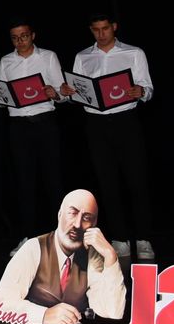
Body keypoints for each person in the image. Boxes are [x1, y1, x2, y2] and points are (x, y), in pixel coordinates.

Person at [60, 13, 155, 260]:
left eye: (105, 29)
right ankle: (120, 239)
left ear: (114, 27)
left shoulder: (134, 53)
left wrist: (141, 91)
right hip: (96, 124)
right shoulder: (83, 56)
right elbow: (78, 91)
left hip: (126, 121)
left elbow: (148, 88)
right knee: (107, 183)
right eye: (96, 30)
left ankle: (143, 239)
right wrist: (69, 92)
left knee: (136, 181)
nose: (101, 34)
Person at [0, 21, 64, 255]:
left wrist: (55, 93)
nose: (20, 41)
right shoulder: (6, 61)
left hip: (45, 122)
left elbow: (62, 92)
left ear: (32, 35)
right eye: (15, 38)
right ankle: (27, 237)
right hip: (19, 126)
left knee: (53, 180)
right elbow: (2, 99)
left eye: (24, 36)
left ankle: (62, 238)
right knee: (24, 183)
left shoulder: (48, 57)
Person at [0, 189, 126, 324]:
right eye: (72, 213)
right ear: (60, 215)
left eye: (86, 218)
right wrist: (44, 315)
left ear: (94, 225)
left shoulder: (92, 256)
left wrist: (110, 256)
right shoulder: (34, 248)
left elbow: (112, 313)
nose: (77, 224)